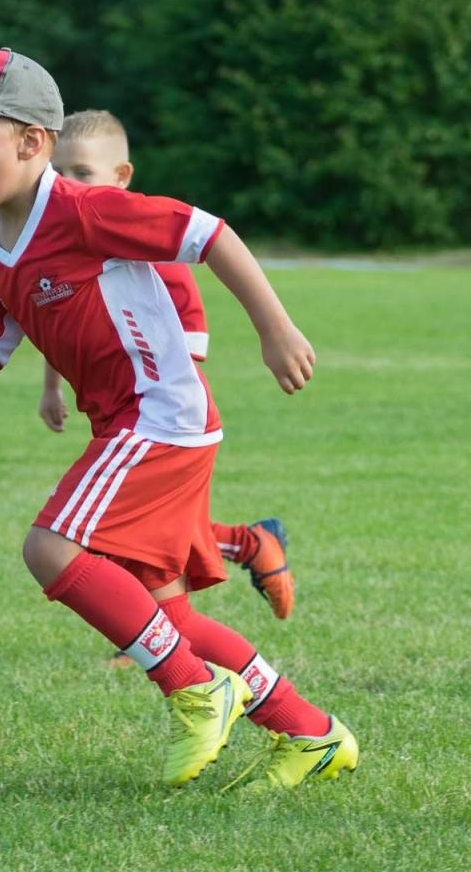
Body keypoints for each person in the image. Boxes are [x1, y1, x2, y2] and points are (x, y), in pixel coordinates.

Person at [0, 48, 357, 790]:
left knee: (50, 549)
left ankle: (195, 689)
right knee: (164, 610)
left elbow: (210, 235)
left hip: (159, 417)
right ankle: (311, 732)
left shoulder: (85, 208)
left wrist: (275, 328)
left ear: (30, 142)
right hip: (130, 425)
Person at [44, 111, 293, 661]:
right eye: (58, 173)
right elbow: (55, 317)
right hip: (117, 413)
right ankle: (242, 553)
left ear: (122, 176)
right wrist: (52, 386)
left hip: (164, 414)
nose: (67, 185)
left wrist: (273, 332)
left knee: (100, 533)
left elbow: (183, 344)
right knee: (143, 531)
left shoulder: (144, 240)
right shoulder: (61, 234)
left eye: (82, 172)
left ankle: (158, 622)